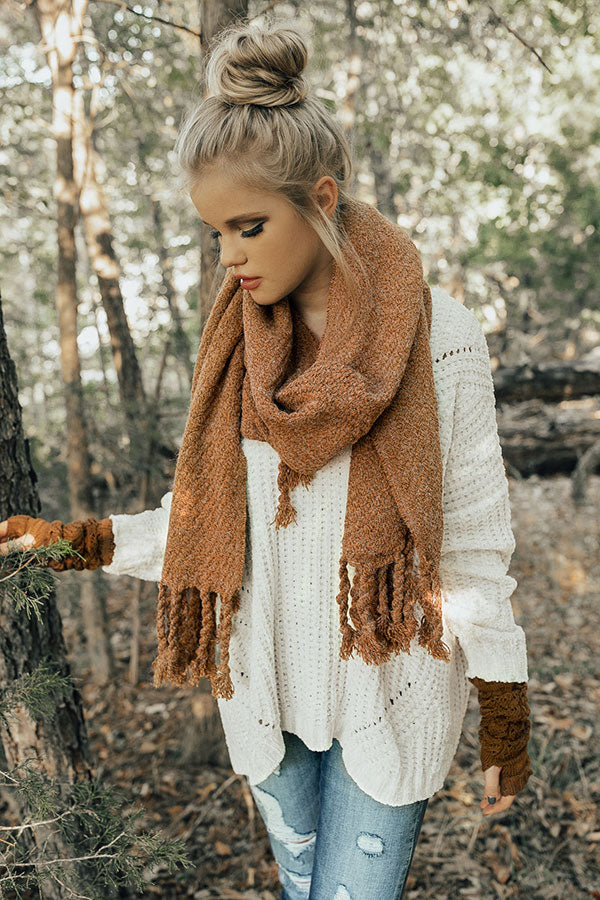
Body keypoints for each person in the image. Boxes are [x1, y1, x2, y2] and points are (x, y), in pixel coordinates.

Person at [0, 20, 532, 900]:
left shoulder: (439, 337)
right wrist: (80, 542)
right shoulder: (236, 346)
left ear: (320, 198)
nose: (229, 257)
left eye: (248, 225)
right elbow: (207, 522)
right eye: (216, 233)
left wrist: (504, 715)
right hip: (265, 701)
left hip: (387, 700)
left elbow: (474, 543)